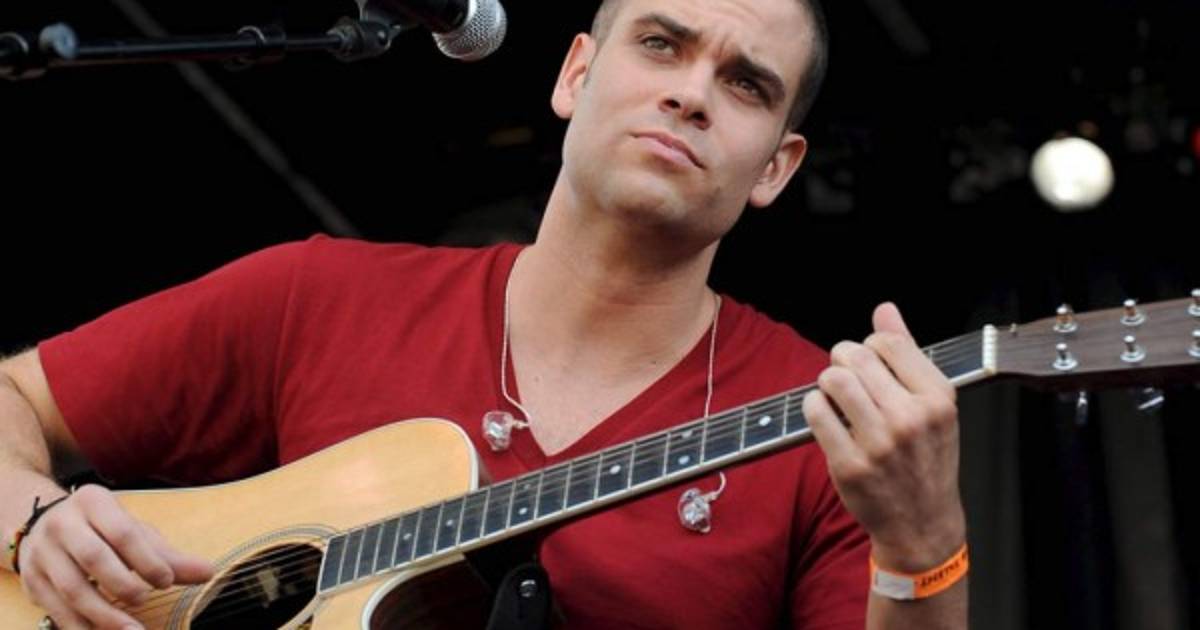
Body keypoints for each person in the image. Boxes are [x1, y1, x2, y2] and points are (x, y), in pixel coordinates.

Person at [0, 0, 968, 628]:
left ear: (776, 169)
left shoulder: (824, 428)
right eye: (661, 44)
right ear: (575, 75)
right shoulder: (319, 295)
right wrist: (35, 522)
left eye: (745, 83)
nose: (690, 94)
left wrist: (924, 546)